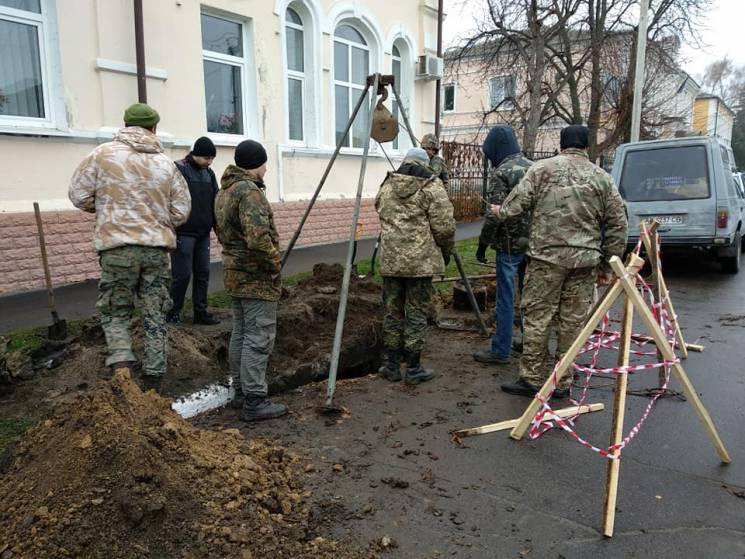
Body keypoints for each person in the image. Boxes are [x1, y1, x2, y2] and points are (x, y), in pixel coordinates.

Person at [491, 125, 628, 398]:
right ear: (586, 146)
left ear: (561, 145)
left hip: (546, 259)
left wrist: (500, 211)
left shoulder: (542, 169)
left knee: (538, 318)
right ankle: (562, 381)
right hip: (584, 262)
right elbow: (618, 224)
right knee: (572, 322)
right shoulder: (602, 178)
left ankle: (531, 378)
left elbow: (516, 204)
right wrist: (607, 264)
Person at [69, 103, 191, 392]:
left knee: (116, 311)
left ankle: (122, 375)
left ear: (125, 125)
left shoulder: (102, 155)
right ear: (154, 129)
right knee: (155, 313)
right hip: (155, 251)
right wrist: (155, 218)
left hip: (117, 249)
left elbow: (78, 195)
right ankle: (154, 382)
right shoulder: (165, 163)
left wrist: (108, 209)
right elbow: (181, 211)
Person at [214, 139, 288, 421]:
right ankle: (255, 400)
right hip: (256, 276)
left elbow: (222, 232)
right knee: (258, 337)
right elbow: (258, 239)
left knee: (242, 333)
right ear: (256, 164)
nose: (267, 170)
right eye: (265, 164)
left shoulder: (225, 191)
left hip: (234, 273)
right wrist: (274, 265)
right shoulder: (249, 192)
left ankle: (241, 393)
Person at [375, 148, 456, 384]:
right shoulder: (431, 187)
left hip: (391, 262)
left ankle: (391, 365)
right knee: (416, 312)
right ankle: (413, 368)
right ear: (425, 164)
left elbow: (378, 208)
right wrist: (446, 250)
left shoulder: (387, 186)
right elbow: (445, 227)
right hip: (420, 263)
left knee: (392, 311)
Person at [472, 125, 533, 365]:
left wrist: (482, 244)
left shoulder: (502, 173)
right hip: (535, 245)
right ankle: (529, 342)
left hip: (508, 246)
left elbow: (494, 215)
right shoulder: (535, 168)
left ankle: (501, 349)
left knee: (506, 298)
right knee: (530, 297)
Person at [167, 137, 221, 326]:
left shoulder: (209, 174)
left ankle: (201, 311)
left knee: (203, 272)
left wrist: (218, 229)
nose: (209, 162)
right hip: (183, 233)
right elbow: (170, 199)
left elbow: (216, 201)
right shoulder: (179, 169)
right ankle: (173, 312)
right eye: (207, 158)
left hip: (203, 234)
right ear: (195, 154)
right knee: (182, 275)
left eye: (212, 158)